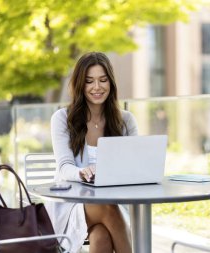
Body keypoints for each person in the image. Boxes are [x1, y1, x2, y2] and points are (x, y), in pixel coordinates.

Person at [47, 52, 137, 253]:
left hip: (115, 202)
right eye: (89, 81)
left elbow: (134, 167)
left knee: (100, 236)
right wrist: (81, 172)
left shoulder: (126, 121)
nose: (97, 87)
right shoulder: (62, 119)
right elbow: (64, 168)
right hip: (72, 205)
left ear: (111, 83)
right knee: (108, 208)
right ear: (80, 85)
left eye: (103, 80)